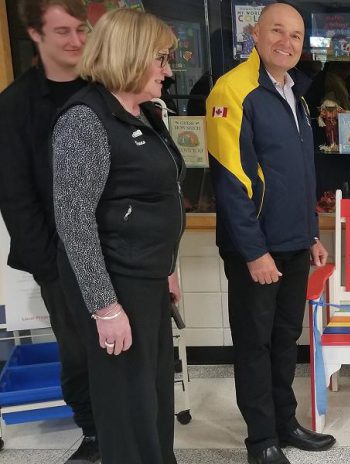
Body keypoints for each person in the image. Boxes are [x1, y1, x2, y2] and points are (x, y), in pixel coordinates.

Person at [51, 9, 184, 464]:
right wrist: (105, 307)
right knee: (128, 406)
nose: (168, 70)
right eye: (161, 58)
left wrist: (168, 268)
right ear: (130, 56)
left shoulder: (142, 112)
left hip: (147, 278)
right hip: (115, 285)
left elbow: (158, 195)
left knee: (154, 398)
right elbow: (74, 221)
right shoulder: (84, 121)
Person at [205, 3, 336, 464]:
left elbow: (297, 176)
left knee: (285, 341)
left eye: (297, 35)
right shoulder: (233, 91)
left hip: (295, 243)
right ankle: (260, 439)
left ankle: (286, 423)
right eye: (277, 31)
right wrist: (255, 252)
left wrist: (312, 234)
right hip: (256, 250)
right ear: (255, 34)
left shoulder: (295, 95)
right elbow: (231, 182)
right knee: (255, 344)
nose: (287, 41)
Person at [0, 2, 99, 462]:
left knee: (122, 348)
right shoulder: (15, 104)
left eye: (80, 30)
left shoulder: (102, 90)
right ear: (35, 35)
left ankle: (126, 425)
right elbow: (15, 196)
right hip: (56, 257)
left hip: (112, 250)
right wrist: (50, 264)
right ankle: (93, 431)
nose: (75, 41)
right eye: (62, 31)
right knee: (78, 353)